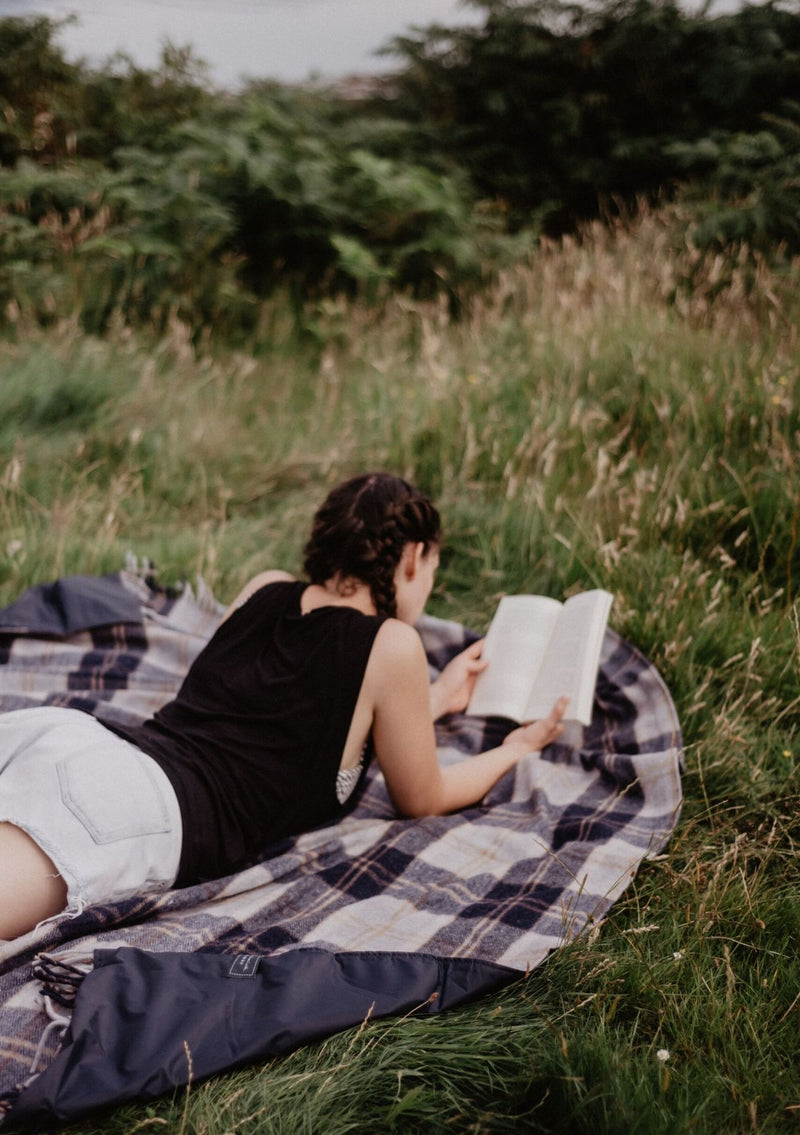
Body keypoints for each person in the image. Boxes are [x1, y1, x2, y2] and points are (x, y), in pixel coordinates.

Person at [0, 473, 567, 940]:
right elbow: (423, 797)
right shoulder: (392, 644)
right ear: (413, 558)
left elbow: (275, 706)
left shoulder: (266, 587)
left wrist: (436, 699)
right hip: (139, 814)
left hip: (81, 741)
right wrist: (513, 749)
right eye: (433, 571)